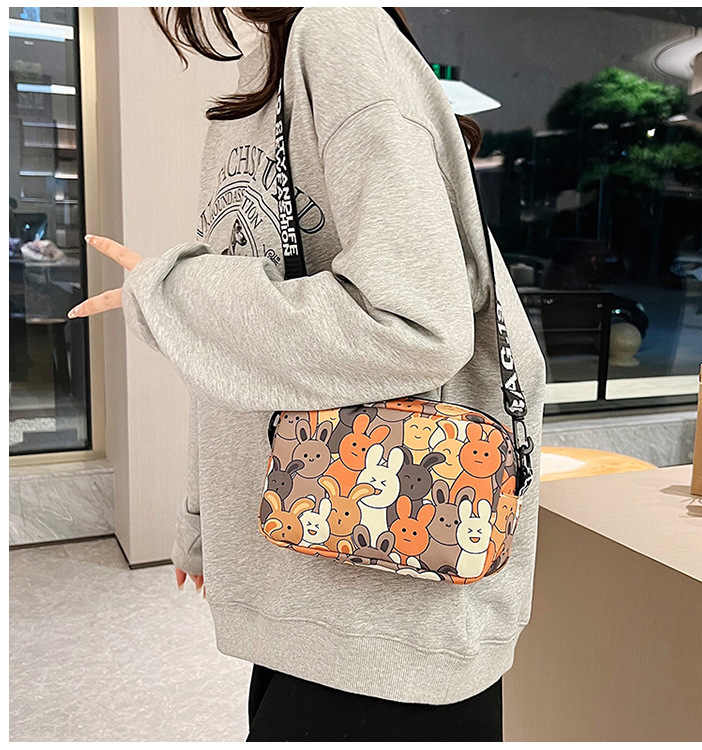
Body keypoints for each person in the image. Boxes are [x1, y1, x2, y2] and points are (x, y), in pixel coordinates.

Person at [69, 7, 545, 741]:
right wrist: (202, 518)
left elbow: (416, 324)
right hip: (312, 570)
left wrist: (178, 297)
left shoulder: (338, 31)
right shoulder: (273, 54)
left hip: (384, 615)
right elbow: (248, 354)